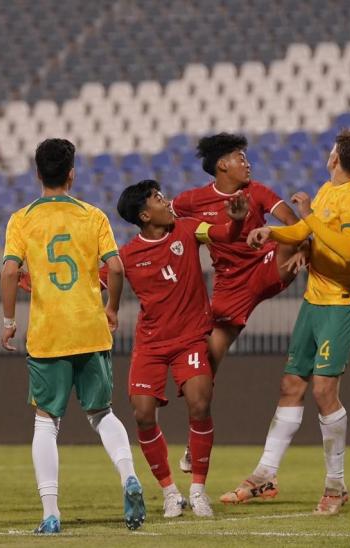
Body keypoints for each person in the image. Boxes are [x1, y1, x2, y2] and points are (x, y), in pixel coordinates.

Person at [220, 128, 350, 515]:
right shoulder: (327, 191)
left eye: (332, 149)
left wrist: (307, 215)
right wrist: (271, 232)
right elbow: (306, 232)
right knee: (292, 384)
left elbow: (347, 250)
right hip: (314, 302)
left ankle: (336, 485)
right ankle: (265, 475)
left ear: (337, 156)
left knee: (324, 391)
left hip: (341, 304)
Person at [0, 138, 144, 534]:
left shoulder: (22, 219)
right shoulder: (92, 215)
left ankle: (51, 513)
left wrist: (9, 320)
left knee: (46, 422)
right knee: (102, 414)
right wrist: (111, 308)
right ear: (71, 173)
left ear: (37, 173)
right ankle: (129, 477)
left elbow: (11, 272)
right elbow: (115, 268)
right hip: (90, 329)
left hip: (49, 334)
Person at [108, 179, 249, 519]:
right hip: (151, 344)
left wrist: (239, 221)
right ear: (144, 214)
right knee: (142, 413)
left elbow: (224, 234)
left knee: (200, 403)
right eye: (158, 198)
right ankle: (170, 492)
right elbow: (90, 279)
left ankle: (198, 490)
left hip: (189, 339)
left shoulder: (187, 229)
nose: (166, 200)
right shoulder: (126, 256)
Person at [170, 133, 304, 472]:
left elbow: (293, 224)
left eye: (246, 157)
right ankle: (192, 445)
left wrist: (302, 247)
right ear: (221, 165)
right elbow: (161, 219)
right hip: (230, 284)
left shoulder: (257, 191)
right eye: (239, 157)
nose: (247, 163)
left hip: (266, 265)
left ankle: (345, 294)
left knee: (302, 242)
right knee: (205, 365)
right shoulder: (191, 200)